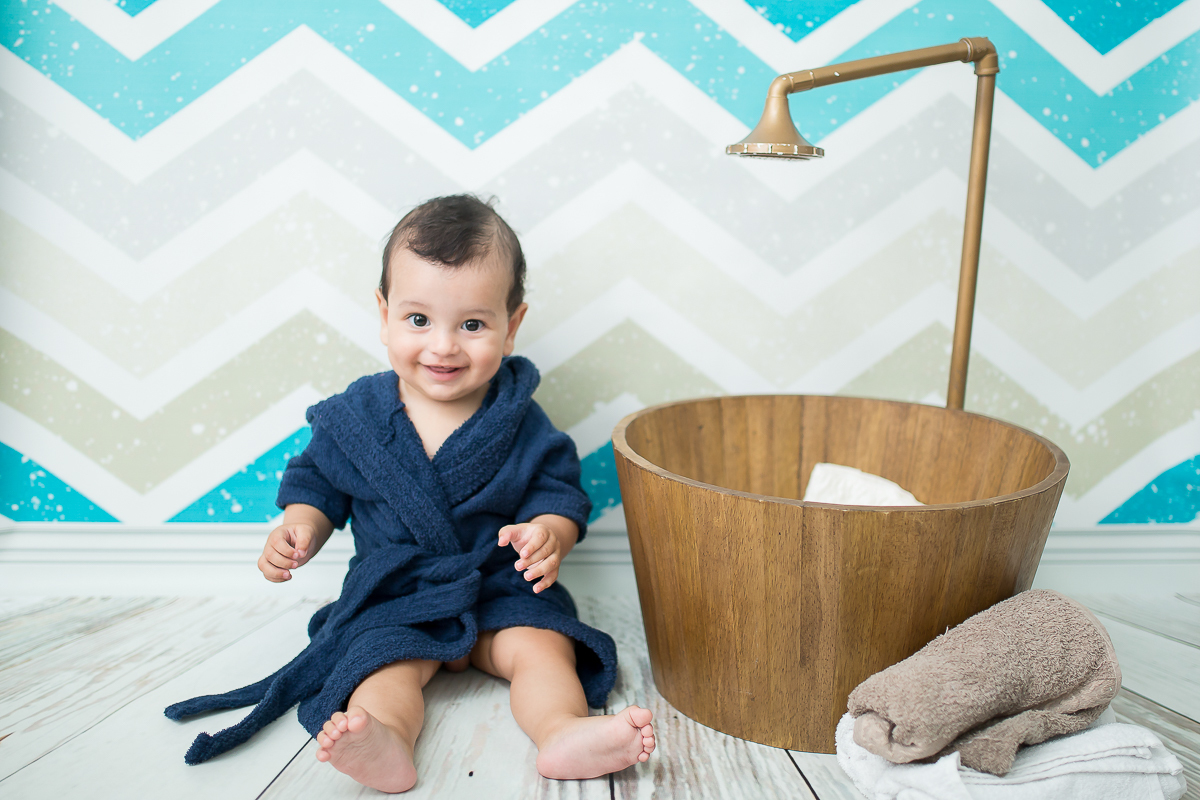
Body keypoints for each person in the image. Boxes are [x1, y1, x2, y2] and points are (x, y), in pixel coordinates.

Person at [164, 194, 653, 792]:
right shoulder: (358, 418)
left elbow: (559, 490)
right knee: (383, 666)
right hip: (400, 595)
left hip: (500, 587)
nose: (444, 346)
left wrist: (548, 533)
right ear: (384, 311)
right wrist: (301, 527)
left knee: (542, 649)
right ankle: (386, 738)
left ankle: (562, 730)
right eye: (419, 320)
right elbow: (315, 482)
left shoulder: (518, 420)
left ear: (512, 325)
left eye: (472, 324)